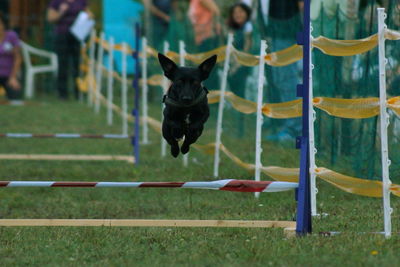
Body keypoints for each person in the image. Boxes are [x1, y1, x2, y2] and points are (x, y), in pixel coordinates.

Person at [47, 0, 90, 100]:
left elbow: (88, 13)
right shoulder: (56, 2)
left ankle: (79, 92)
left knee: (78, 65)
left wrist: (88, 16)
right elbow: (50, 18)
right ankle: (62, 94)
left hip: (78, 35)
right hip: (62, 35)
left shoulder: (81, 1)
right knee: (63, 65)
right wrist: (61, 12)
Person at [226, 3, 253, 137]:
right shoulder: (231, 28)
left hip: (243, 64)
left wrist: (237, 64)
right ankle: (234, 120)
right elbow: (230, 47)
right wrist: (231, 64)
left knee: (240, 92)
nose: (238, 15)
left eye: (241, 12)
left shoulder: (248, 27)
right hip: (232, 64)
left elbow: (247, 47)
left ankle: (240, 128)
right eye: (235, 12)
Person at [0, 12, 22, 102]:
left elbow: (18, 58)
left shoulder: (11, 36)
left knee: (15, 96)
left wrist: (13, 77)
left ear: (3, 24)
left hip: (9, 75)